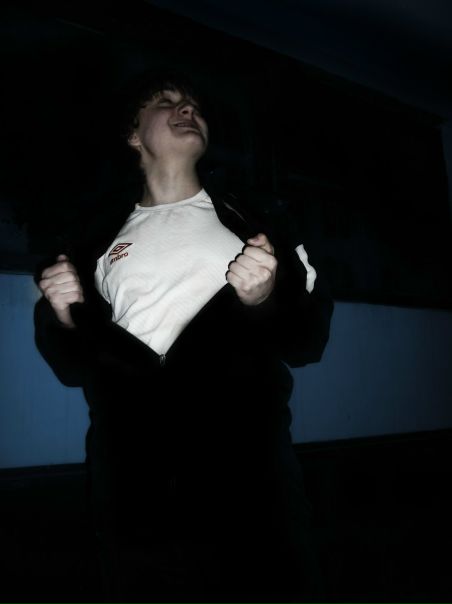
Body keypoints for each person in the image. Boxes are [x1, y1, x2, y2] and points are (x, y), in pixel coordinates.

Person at [34, 70, 333, 601]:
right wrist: (62, 314)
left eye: (194, 103)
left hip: (247, 466)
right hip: (132, 472)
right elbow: (72, 366)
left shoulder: (258, 220)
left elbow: (307, 342)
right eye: (165, 101)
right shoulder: (90, 240)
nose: (187, 108)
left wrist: (264, 299)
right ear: (133, 135)